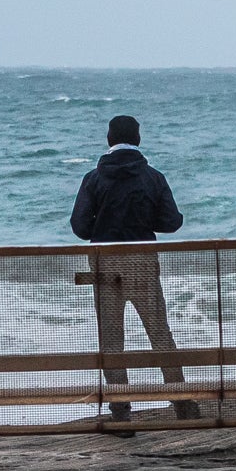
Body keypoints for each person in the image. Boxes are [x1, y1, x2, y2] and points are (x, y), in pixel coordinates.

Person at [69, 114, 200, 423]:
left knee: (112, 338)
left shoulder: (94, 179)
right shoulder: (152, 177)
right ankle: (181, 402)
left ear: (109, 140)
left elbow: (79, 227)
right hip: (142, 260)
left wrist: (103, 225)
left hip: (104, 261)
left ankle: (120, 408)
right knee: (159, 333)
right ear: (138, 140)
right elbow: (171, 222)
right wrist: (144, 219)